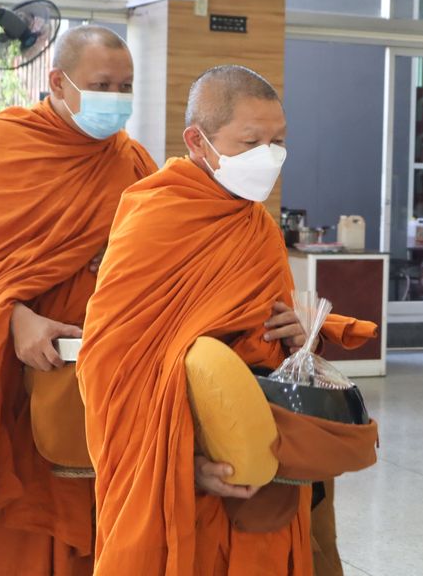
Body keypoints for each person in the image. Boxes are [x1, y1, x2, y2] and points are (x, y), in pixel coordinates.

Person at [77, 65, 377, 576]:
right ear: (198, 141)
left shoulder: (256, 225)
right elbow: (108, 364)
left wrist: (301, 339)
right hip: (184, 465)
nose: (269, 155)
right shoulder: (155, 217)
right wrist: (185, 463)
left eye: (278, 141)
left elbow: (270, 336)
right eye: (251, 142)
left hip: (266, 461)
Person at [0, 25, 156, 573]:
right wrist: (14, 319)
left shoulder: (134, 164)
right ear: (58, 82)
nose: (117, 99)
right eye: (102, 85)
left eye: (126, 87)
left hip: (93, 386)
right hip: (9, 381)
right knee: (16, 533)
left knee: (89, 514)